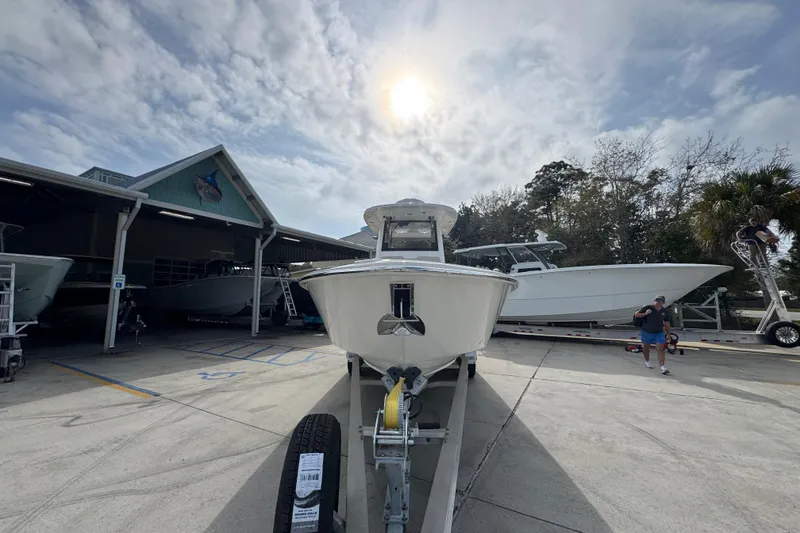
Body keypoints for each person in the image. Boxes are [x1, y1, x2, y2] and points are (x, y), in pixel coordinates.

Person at [633, 295, 671, 375]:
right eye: (657, 301)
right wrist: (645, 313)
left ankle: (662, 367)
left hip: (659, 332)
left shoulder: (665, 311)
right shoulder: (648, 307)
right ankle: (647, 361)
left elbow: (667, 323)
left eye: (660, 301)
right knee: (646, 347)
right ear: (654, 301)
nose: (658, 303)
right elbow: (636, 314)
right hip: (646, 331)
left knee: (660, 348)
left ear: (663, 303)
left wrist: (668, 334)